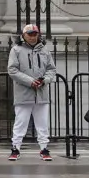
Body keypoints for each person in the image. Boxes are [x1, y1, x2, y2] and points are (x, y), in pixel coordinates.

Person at [7, 23, 56, 161]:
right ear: (23, 35)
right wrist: (30, 81)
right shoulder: (16, 50)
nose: (33, 37)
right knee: (20, 122)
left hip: (41, 93)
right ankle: (15, 147)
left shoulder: (45, 50)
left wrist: (44, 80)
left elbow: (51, 69)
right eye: (30, 34)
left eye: (35, 34)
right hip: (24, 93)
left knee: (42, 123)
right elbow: (12, 70)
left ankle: (44, 148)